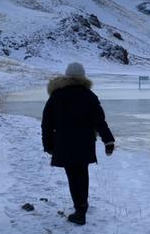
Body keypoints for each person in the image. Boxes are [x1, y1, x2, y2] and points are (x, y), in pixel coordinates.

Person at [41, 62, 115, 225]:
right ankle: (82, 205)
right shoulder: (89, 96)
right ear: (83, 77)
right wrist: (108, 140)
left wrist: (47, 144)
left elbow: (47, 123)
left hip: (64, 143)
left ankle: (80, 211)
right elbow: (99, 122)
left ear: (67, 76)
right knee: (82, 173)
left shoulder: (56, 96)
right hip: (84, 143)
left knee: (73, 175)